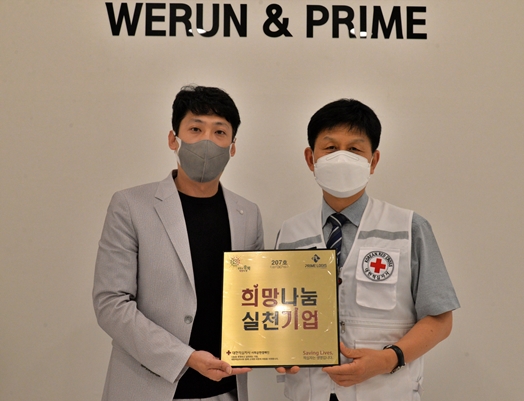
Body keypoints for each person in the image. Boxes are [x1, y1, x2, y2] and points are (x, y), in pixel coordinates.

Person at [275, 99, 460, 401]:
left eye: (354, 149)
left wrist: (388, 359)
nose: (342, 157)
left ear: (373, 161)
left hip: (385, 392)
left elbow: (440, 320)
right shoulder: (290, 233)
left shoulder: (409, 228)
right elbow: (280, 314)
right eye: (331, 148)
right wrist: (278, 350)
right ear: (311, 158)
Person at [93, 85, 263, 401]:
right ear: (174, 139)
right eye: (195, 129)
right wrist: (185, 357)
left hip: (226, 389)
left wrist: (285, 345)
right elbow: (111, 304)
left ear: (232, 147)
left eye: (220, 132)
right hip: (148, 388)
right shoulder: (131, 206)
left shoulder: (248, 214)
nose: (207, 141)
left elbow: (256, 299)